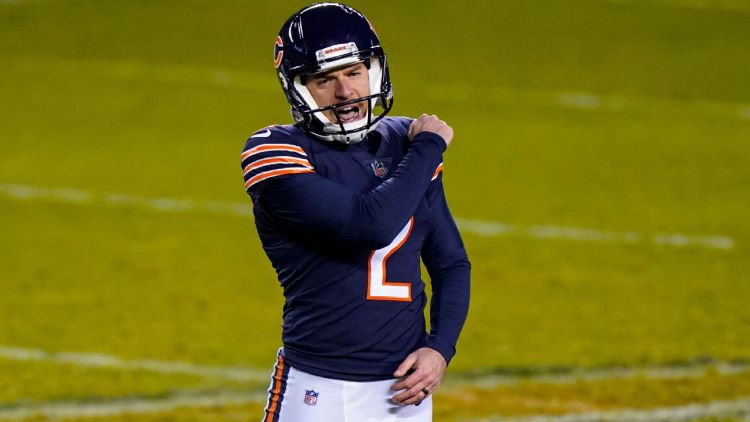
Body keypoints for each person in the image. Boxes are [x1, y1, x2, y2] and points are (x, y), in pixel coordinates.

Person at [240, 3, 470, 421]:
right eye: (324, 79)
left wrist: (440, 348)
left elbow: (451, 262)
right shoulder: (275, 150)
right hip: (319, 390)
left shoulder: (406, 141)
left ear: (375, 71)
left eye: (354, 71)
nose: (345, 92)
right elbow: (369, 225)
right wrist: (427, 148)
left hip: (404, 394)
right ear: (299, 88)